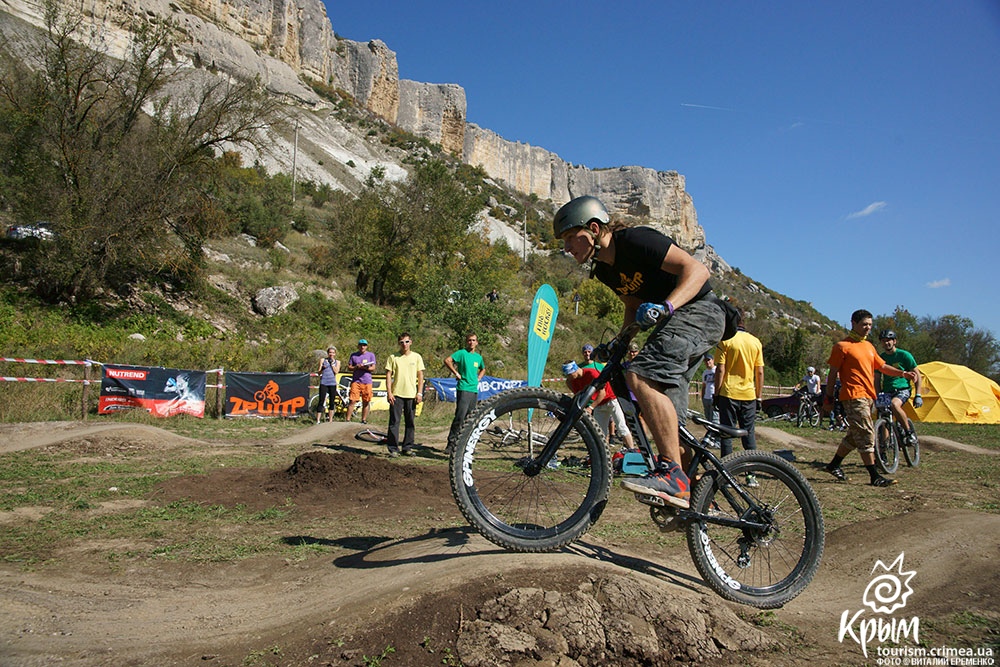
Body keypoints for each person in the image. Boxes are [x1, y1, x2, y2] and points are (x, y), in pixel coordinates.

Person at [554, 195, 725, 509]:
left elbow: (698, 271)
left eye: (569, 238)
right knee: (667, 418)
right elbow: (632, 304)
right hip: (674, 323)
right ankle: (694, 493)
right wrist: (620, 341)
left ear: (593, 229)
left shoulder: (636, 241)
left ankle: (671, 475)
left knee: (641, 375)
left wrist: (666, 306)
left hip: (701, 311)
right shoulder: (604, 270)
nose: (567, 248)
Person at [821, 310, 918, 487]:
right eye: (865, 324)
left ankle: (833, 465)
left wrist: (903, 373)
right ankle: (874, 476)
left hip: (869, 397)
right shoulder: (842, 347)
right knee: (866, 433)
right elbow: (833, 374)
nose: (868, 328)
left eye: (870, 325)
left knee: (854, 435)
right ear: (854, 323)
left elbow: (883, 367)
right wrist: (828, 398)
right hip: (853, 396)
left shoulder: (869, 347)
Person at [713, 311, 764, 475]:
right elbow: (760, 372)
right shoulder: (755, 342)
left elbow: (720, 369)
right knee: (748, 434)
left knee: (726, 434)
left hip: (728, 392)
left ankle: (725, 473)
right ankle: (752, 474)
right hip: (749, 394)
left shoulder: (725, 340)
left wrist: (716, 393)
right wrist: (759, 396)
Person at [563, 360, 634, 448]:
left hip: (611, 400)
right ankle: (604, 454)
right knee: (600, 433)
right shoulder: (571, 381)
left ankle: (632, 449)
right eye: (567, 375)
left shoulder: (592, 373)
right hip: (599, 405)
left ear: (575, 369)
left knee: (621, 427)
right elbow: (579, 394)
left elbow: (602, 393)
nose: (569, 377)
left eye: (570, 374)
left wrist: (591, 408)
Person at [876, 330, 923, 445]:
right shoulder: (880, 358)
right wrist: (877, 394)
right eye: (883, 341)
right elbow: (876, 379)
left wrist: (918, 394)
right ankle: (883, 448)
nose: (886, 343)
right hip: (886, 391)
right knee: (883, 416)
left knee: (894, 405)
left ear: (894, 341)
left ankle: (909, 432)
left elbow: (917, 375)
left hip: (902, 390)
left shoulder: (904, 355)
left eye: (888, 340)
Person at [384, 332, 425, 457]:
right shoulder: (393, 357)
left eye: (407, 341)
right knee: (394, 422)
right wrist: (389, 392)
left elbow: (420, 375)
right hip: (396, 394)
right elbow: (388, 375)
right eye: (402, 342)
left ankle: (407, 447)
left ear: (411, 342)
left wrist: (419, 393)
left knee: (410, 422)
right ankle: (393, 448)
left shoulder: (417, 357)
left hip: (411, 395)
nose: (404, 344)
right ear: (398, 343)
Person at [444, 333, 486, 453]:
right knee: (460, 416)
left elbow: (483, 368)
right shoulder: (462, 353)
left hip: (474, 390)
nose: (471, 342)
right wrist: (456, 373)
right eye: (469, 340)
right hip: (463, 388)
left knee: (470, 418)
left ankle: (466, 445)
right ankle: (451, 444)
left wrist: (479, 378)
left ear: (477, 343)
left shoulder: (478, 357)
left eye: (473, 340)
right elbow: (447, 360)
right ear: (466, 342)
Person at [345, 339, 377, 423]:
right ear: (358, 346)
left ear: (366, 346)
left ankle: (363, 420)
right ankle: (347, 419)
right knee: (352, 400)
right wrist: (356, 367)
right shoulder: (354, 355)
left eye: (364, 345)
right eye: (361, 345)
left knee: (366, 401)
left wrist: (366, 368)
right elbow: (349, 367)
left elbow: (373, 368)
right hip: (356, 381)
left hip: (367, 381)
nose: (362, 347)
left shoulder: (371, 355)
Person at [315, 346, 340, 423]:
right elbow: (319, 372)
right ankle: (318, 420)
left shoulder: (337, 362)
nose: (331, 354)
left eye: (333, 353)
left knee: (332, 401)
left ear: (335, 354)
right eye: (330, 352)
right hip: (324, 383)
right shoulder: (323, 360)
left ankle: (330, 420)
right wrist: (322, 368)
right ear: (327, 353)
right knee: (321, 400)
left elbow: (336, 372)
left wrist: (332, 364)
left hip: (332, 383)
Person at [700, 355, 718, 422]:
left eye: (709, 360)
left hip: (714, 397)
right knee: (708, 419)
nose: (707, 362)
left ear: (713, 360)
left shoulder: (717, 370)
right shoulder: (705, 373)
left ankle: (715, 432)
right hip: (706, 398)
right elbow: (704, 386)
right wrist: (702, 397)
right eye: (706, 361)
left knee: (715, 419)